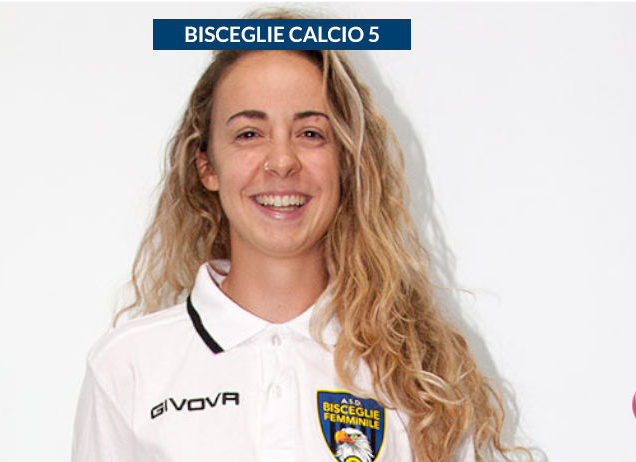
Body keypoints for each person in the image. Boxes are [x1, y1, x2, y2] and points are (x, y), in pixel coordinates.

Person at [72, 10, 532, 462]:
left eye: (311, 133)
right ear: (207, 166)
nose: (282, 161)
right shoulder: (129, 366)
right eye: (249, 133)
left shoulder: (419, 371)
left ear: (346, 162)